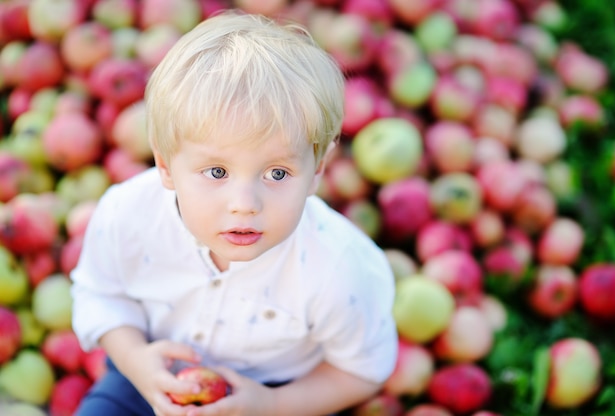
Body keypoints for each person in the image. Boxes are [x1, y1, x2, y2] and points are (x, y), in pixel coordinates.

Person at [71, 9, 398, 416]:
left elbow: (362, 371)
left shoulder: (338, 269)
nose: (245, 202)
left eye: (277, 172)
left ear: (317, 169)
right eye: (217, 171)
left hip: (278, 393)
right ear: (167, 165)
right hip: (147, 373)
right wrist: (136, 362)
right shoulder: (128, 216)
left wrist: (272, 404)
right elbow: (100, 294)